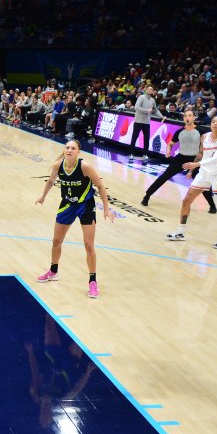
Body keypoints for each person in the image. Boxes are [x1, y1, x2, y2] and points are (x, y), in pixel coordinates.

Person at [35, 139, 114, 299]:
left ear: (78, 152)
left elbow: (100, 186)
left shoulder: (85, 167)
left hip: (85, 205)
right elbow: (51, 181)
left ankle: (92, 281)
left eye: (73, 148)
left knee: (88, 245)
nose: (69, 150)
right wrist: (43, 196)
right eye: (67, 148)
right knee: (56, 241)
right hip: (67, 205)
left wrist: (106, 209)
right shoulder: (58, 165)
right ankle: (53, 271)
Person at [166, 116, 217, 249]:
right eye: (213, 122)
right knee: (186, 200)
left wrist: (195, 164)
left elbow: (215, 159)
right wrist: (191, 170)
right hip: (204, 173)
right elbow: (201, 153)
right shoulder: (205, 136)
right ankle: (181, 232)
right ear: (210, 124)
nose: (215, 124)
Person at [141, 109, 215, 211]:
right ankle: (147, 196)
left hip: (194, 160)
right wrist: (168, 151)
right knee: (164, 177)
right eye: (185, 116)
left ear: (194, 118)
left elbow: (208, 143)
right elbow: (170, 143)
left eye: (190, 115)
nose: (187, 118)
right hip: (180, 158)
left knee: (201, 183)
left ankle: (212, 205)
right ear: (183, 118)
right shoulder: (180, 131)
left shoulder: (201, 131)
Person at [129, 85, 165, 161]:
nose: (149, 90)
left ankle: (145, 154)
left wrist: (162, 117)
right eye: (148, 89)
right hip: (138, 121)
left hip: (146, 123)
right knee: (134, 138)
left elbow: (155, 110)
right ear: (145, 90)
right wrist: (146, 111)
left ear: (152, 91)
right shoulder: (141, 97)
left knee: (146, 139)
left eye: (151, 89)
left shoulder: (152, 100)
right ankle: (131, 153)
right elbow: (136, 107)